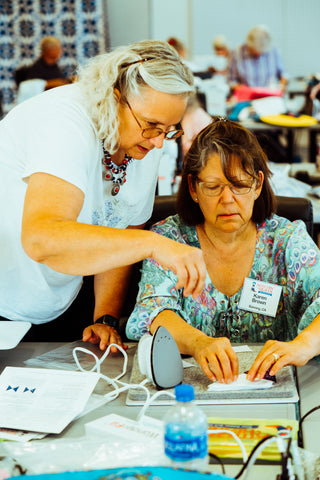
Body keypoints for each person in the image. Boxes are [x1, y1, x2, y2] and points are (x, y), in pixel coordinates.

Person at [0, 40, 207, 348]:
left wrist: (105, 318)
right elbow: (42, 238)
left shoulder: (143, 143)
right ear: (114, 98)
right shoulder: (65, 122)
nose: (158, 143)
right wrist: (153, 244)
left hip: (59, 298)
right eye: (151, 126)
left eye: (168, 129)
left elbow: (123, 229)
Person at [126, 117, 320, 384]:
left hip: (276, 390)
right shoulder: (169, 239)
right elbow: (155, 311)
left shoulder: (286, 241)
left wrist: (304, 344)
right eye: (213, 187)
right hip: (189, 390)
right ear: (193, 187)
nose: (227, 200)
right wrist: (198, 343)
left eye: (239, 185)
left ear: (258, 184)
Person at [228, 25, 288, 91]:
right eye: (255, 51)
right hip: (245, 97)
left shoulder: (274, 51)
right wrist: (246, 91)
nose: (258, 55)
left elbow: (284, 74)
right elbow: (231, 81)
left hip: (269, 95)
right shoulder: (237, 52)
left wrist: (281, 86)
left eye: (262, 52)